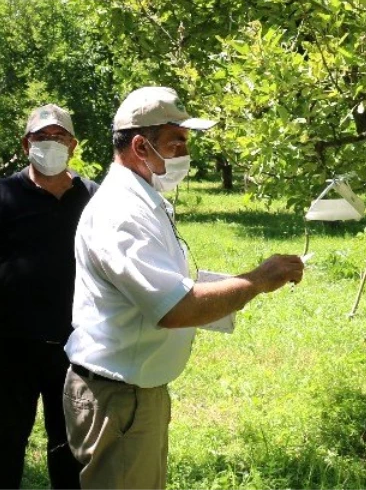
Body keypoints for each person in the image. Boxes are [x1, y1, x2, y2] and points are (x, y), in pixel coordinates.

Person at [63, 87, 305, 489]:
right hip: (120, 398)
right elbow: (175, 308)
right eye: (177, 143)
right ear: (141, 146)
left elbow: (167, 293)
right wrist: (258, 279)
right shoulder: (121, 213)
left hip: (133, 393)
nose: (185, 155)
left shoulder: (141, 199)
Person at [0, 104, 99, 489]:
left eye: (58, 137)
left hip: (76, 344)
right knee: (7, 435)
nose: (50, 144)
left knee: (69, 440)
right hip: (10, 342)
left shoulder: (93, 197)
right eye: (41, 137)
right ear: (25, 144)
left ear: (72, 144)